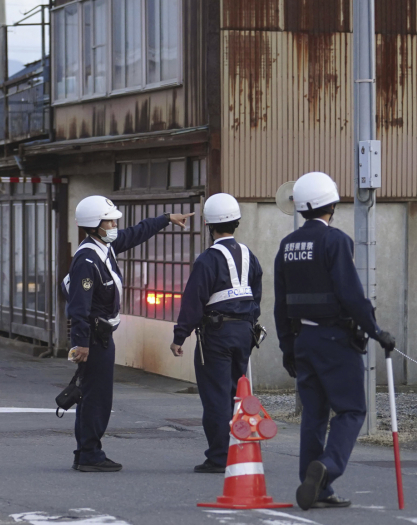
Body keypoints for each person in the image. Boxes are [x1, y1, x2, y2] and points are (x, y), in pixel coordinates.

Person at [273, 171, 396, 510]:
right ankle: (327, 468)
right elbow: (351, 294)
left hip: (303, 340)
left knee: (314, 415)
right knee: (352, 409)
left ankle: (315, 488)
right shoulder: (336, 241)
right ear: (331, 203)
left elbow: (280, 303)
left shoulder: (286, 246)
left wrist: (287, 348)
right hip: (334, 340)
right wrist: (376, 331)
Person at [65, 196, 192, 472]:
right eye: (109, 221)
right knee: (95, 396)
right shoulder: (87, 259)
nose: (114, 225)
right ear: (94, 225)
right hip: (93, 339)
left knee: (96, 395)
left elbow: (135, 234)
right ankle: (89, 453)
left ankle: (86, 451)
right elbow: (79, 307)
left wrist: (166, 218)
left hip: (102, 336)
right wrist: (80, 343)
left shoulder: (104, 247)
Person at [169, 193, 262, 473]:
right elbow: (256, 296)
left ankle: (219, 457)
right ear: (237, 222)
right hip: (244, 332)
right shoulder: (250, 256)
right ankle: (244, 450)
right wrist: (248, 324)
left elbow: (193, 300)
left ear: (209, 225)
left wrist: (179, 336)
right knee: (239, 393)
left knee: (216, 396)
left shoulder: (207, 259)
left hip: (216, 334)